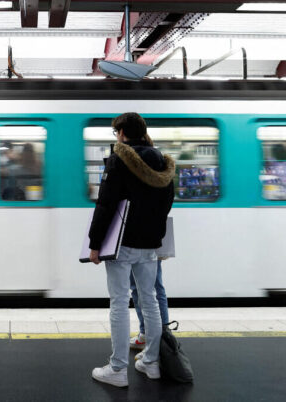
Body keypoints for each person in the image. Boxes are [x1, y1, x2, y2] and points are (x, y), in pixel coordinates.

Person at [88, 112, 175, 387]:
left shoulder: (119, 159)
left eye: (116, 132)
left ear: (123, 132)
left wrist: (94, 244)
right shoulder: (161, 161)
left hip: (122, 243)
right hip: (150, 243)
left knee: (118, 303)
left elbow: (106, 204)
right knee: (148, 300)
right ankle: (151, 362)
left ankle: (117, 369)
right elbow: (167, 202)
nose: (116, 137)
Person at [128, 260, 169, 355]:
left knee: (153, 287)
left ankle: (161, 340)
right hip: (137, 247)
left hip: (148, 248)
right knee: (138, 287)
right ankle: (147, 335)